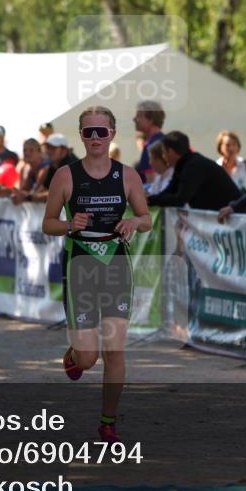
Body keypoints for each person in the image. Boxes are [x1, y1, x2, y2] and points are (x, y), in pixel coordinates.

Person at [42, 105, 151, 443]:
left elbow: (146, 218)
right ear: (81, 135)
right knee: (88, 358)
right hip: (81, 264)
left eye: (101, 132)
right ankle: (74, 355)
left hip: (117, 262)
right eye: (88, 132)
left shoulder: (127, 175)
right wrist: (68, 224)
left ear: (112, 134)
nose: (95, 138)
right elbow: (48, 224)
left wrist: (134, 221)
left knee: (115, 349)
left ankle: (108, 421)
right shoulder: (66, 175)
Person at [148, 131, 241, 211]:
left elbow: (179, 199)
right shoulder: (184, 164)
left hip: (233, 217)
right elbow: (171, 189)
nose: (164, 157)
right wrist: (149, 200)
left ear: (171, 151)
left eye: (164, 152)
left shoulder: (193, 165)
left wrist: (150, 201)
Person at [0, 138, 48, 204]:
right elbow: (22, 191)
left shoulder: (46, 168)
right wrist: (6, 190)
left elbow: (36, 194)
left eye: (31, 150)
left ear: (39, 152)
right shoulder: (26, 168)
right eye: (24, 150)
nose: (27, 153)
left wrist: (12, 192)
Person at [133, 100, 165, 182]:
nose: (134, 119)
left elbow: (153, 183)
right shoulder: (158, 141)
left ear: (151, 119)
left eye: (139, 116)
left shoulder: (154, 145)